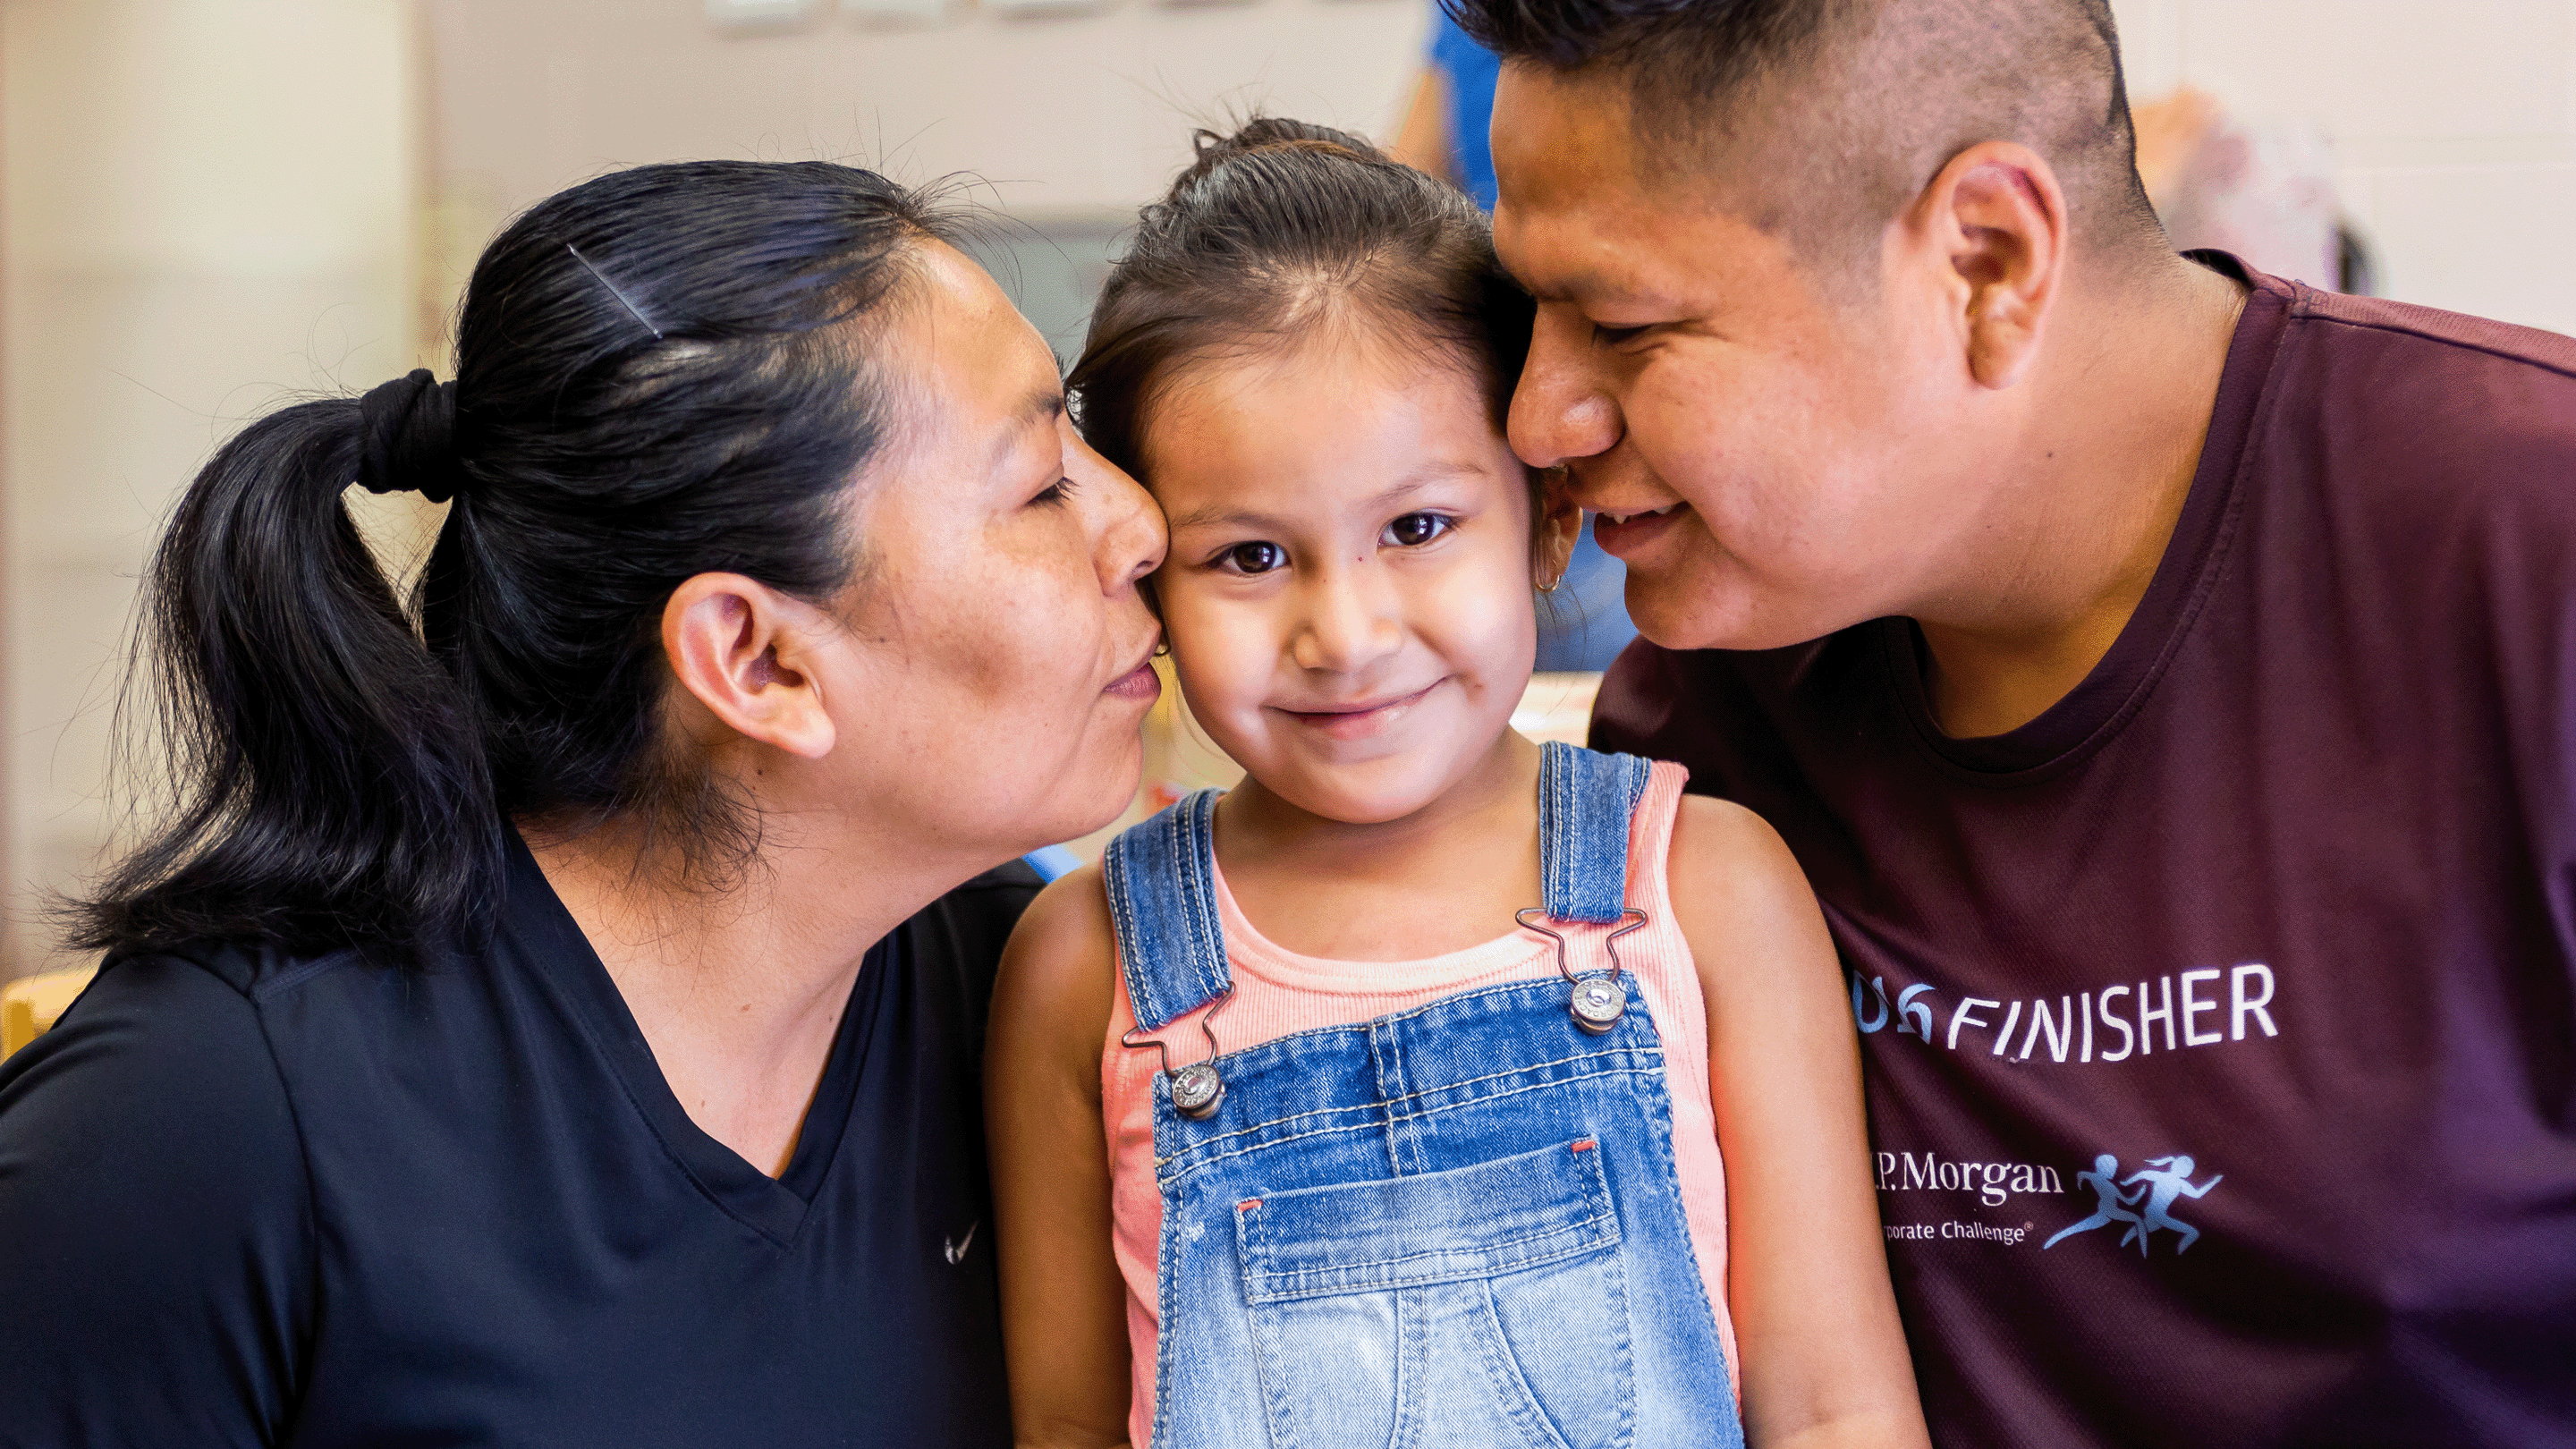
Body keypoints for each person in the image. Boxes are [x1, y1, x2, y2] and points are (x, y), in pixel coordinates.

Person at [1452, 0, 2576, 1442]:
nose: (1541, 417)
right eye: (1527, 316)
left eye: (1620, 326)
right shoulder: (1717, 701)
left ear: (1986, 262)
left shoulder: (2523, 562)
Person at [0, 159, 1165, 1445]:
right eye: (1045, 483)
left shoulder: (1019, 992)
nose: (1142, 524)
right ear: (757, 661)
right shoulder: (203, 1113)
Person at [987, 117, 1928, 1449]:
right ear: (1147, 572)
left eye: (1418, 529)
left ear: (1547, 519)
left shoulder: (1709, 892)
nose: (1347, 633)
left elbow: (1836, 1409)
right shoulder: (1081, 965)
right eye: (1249, 557)